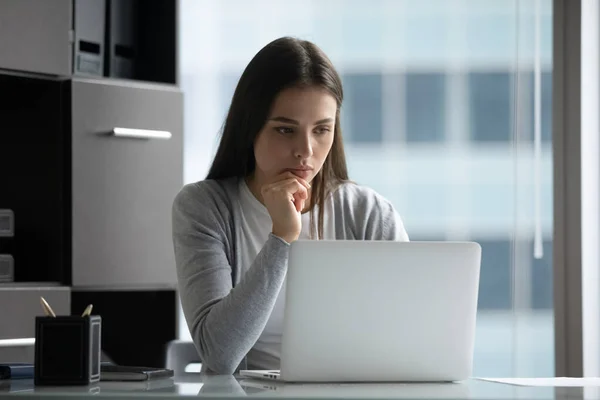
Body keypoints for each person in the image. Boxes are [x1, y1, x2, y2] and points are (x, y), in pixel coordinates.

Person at [172, 36, 409, 375]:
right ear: (249, 128)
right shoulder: (203, 208)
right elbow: (219, 354)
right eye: (286, 130)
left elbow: (411, 340)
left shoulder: (369, 214)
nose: (306, 151)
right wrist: (282, 237)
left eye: (321, 130)